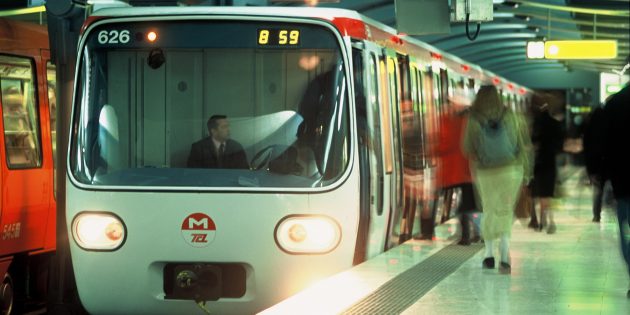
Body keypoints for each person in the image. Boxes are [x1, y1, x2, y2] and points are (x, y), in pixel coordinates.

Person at [462, 85, 533, 274]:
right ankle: (504, 253)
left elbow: (467, 147)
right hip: (511, 170)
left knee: (489, 208)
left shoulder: (474, 118)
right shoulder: (510, 115)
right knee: (505, 210)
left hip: (486, 172)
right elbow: (521, 144)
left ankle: (488, 254)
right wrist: (526, 173)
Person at [593, 83, 630, 298]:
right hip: (622, 180)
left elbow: (603, 143)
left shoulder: (615, 103)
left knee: (626, 231)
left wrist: (600, 172)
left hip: (623, 181)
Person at [436, 92, 480, 245]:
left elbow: (445, 143)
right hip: (469, 170)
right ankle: (473, 233)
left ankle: (468, 234)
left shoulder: (451, 120)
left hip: (459, 170)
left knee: (465, 205)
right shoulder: (472, 120)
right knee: (468, 203)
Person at [529, 93, 565, 233]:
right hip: (550, 161)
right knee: (547, 194)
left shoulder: (537, 123)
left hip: (537, 162)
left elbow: (532, 141)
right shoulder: (555, 124)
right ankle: (549, 220)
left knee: (538, 193)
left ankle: (541, 220)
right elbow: (560, 145)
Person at [583, 105, 607, 222]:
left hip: (595, 165)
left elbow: (587, 150)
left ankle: (596, 215)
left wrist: (589, 170)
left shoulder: (589, 129)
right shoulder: (608, 127)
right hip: (607, 163)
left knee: (597, 190)